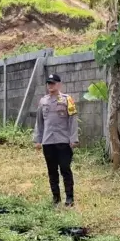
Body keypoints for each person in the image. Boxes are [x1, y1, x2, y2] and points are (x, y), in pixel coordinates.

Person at [33, 73, 79, 207]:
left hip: (63, 141)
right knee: (52, 171)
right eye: (48, 83)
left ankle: (69, 198)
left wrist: (73, 138)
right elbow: (39, 122)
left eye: (53, 83)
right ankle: (56, 198)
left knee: (65, 168)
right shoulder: (43, 101)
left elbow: (73, 120)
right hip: (48, 142)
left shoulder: (67, 99)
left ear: (59, 84)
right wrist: (38, 140)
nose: (50, 85)